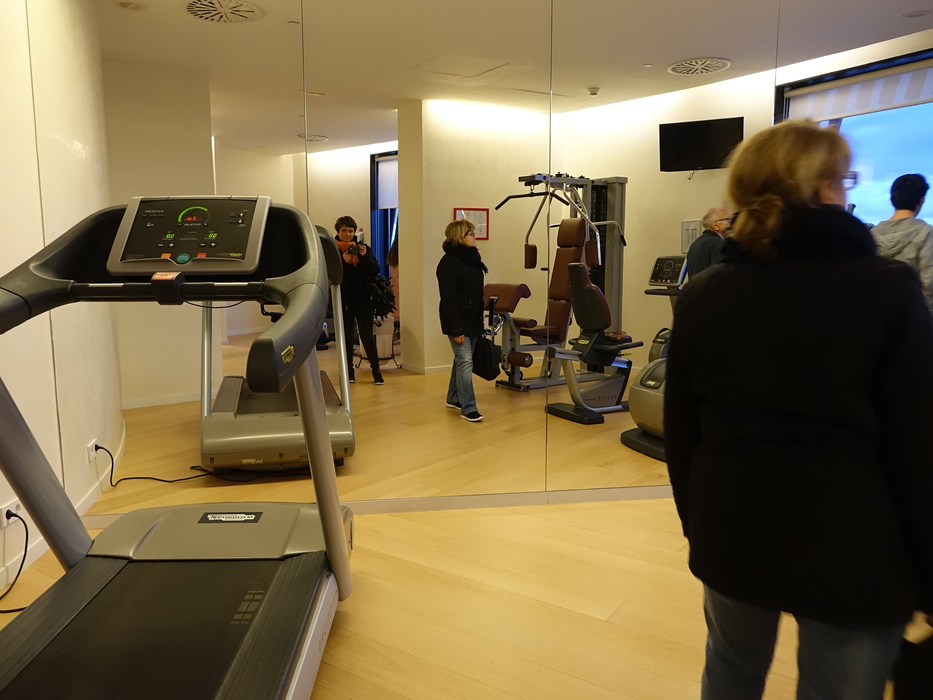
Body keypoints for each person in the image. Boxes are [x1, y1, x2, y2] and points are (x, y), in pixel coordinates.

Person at [664, 119, 933, 699]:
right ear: (824, 187)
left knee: (729, 672)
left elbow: (682, 438)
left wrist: (700, 529)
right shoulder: (886, 289)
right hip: (855, 547)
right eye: (844, 180)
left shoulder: (706, 294)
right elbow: (918, 447)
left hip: (731, 529)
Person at [436, 218, 486, 422]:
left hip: (473, 320)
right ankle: (468, 407)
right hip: (458, 322)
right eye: (470, 234)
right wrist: (457, 329)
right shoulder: (448, 263)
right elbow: (448, 298)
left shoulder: (473, 259)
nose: (474, 237)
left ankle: (453, 397)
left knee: (461, 360)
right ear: (459, 236)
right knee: (465, 362)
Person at [870, 173, 933, 314]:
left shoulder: (871, 234)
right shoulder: (926, 233)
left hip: (878, 317)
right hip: (914, 318)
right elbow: (929, 284)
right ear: (921, 200)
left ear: (892, 199)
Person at [334, 215, 383, 385]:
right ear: (338, 231)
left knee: (367, 336)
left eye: (350, 231)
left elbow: (375, 270)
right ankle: (349, 371)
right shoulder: (332, 249)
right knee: (346, 338)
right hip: (343, 300)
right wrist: (343, 261)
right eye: (344, 231)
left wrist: (365, 257)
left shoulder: (363, 248)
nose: (348, 234)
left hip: (363, 299)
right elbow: (330, 274)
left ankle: (376, 371)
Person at [686, 207, 731, 279]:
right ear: (715, 225)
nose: (730, 223)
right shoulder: (718, 243)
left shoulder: (695, 244)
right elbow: (720, 277)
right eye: (727, 219)